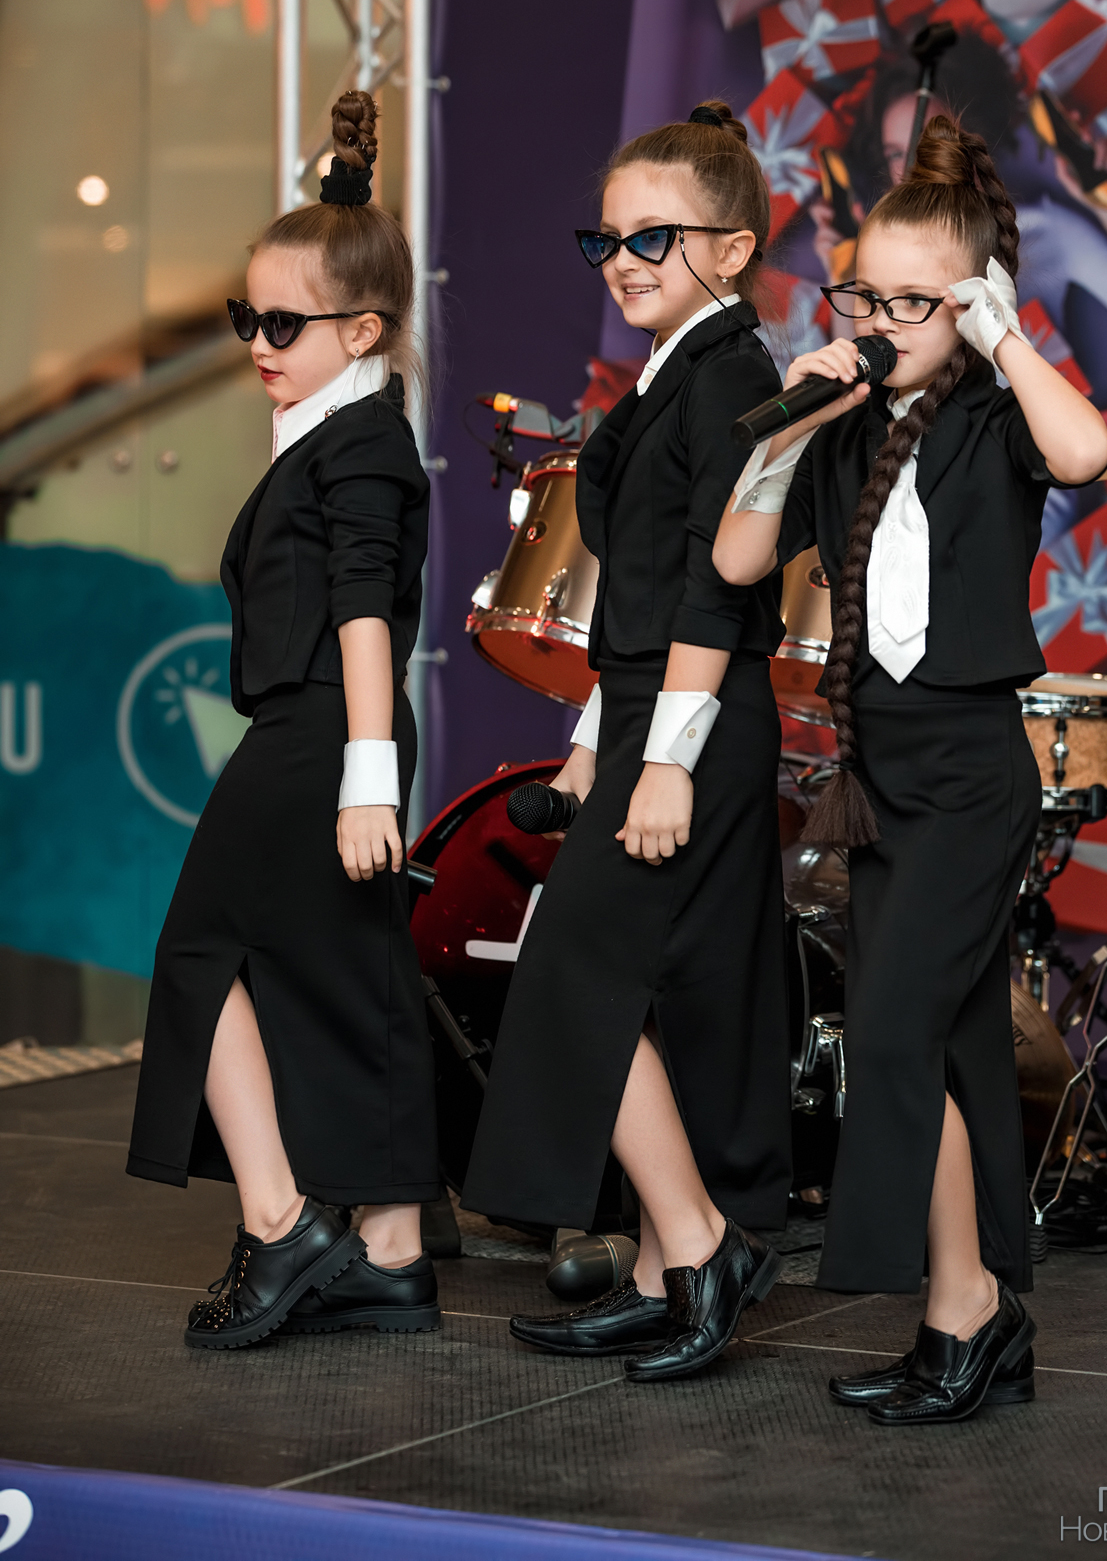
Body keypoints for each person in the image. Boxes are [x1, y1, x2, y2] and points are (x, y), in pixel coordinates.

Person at [713, 113, 1107, 1425]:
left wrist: (1004, 336)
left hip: (967, 780)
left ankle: (961, 1308)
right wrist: (789, 427)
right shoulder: (840, 434)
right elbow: (735, 562)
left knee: (890, 1031)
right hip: (879, 788)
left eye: (909, 302)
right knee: (949, 1044)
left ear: (968, 302)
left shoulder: (996, 418)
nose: (879, 322)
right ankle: (977, 1318)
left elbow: (1086, 454)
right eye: (862, 295)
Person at [462, 102, 792, 1383]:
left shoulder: (733, 376)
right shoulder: (671, 372)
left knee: (578, 978)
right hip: (655, 711)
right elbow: (636, 595)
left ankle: (699, 1246)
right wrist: (602, 737)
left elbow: (715, 588)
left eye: (653, 236)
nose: (621, 260)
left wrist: (665, 757)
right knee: (658, 994)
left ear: (734, 247)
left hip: (696, 723)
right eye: (605, 239)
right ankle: (661, 1275)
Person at [126, 92, 442, 1349]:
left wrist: (367, 777)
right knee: (351, 980)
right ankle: (391, 1253)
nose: (257, 341)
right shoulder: (334, 430)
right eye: (244, 316)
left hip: (321, 736)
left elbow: (365, 612)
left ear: (362, 329)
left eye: (283, 323)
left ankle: (282, 1221)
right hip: (326, 731)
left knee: (202, 955)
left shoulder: (356, 442)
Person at [811, 43, 1107, 354]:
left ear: (975, 142)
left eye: (929, 143)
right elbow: (856, 384)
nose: (913, 168)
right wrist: (846, 275)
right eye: (896, 153)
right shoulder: (884, 259)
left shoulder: (1046, 234)